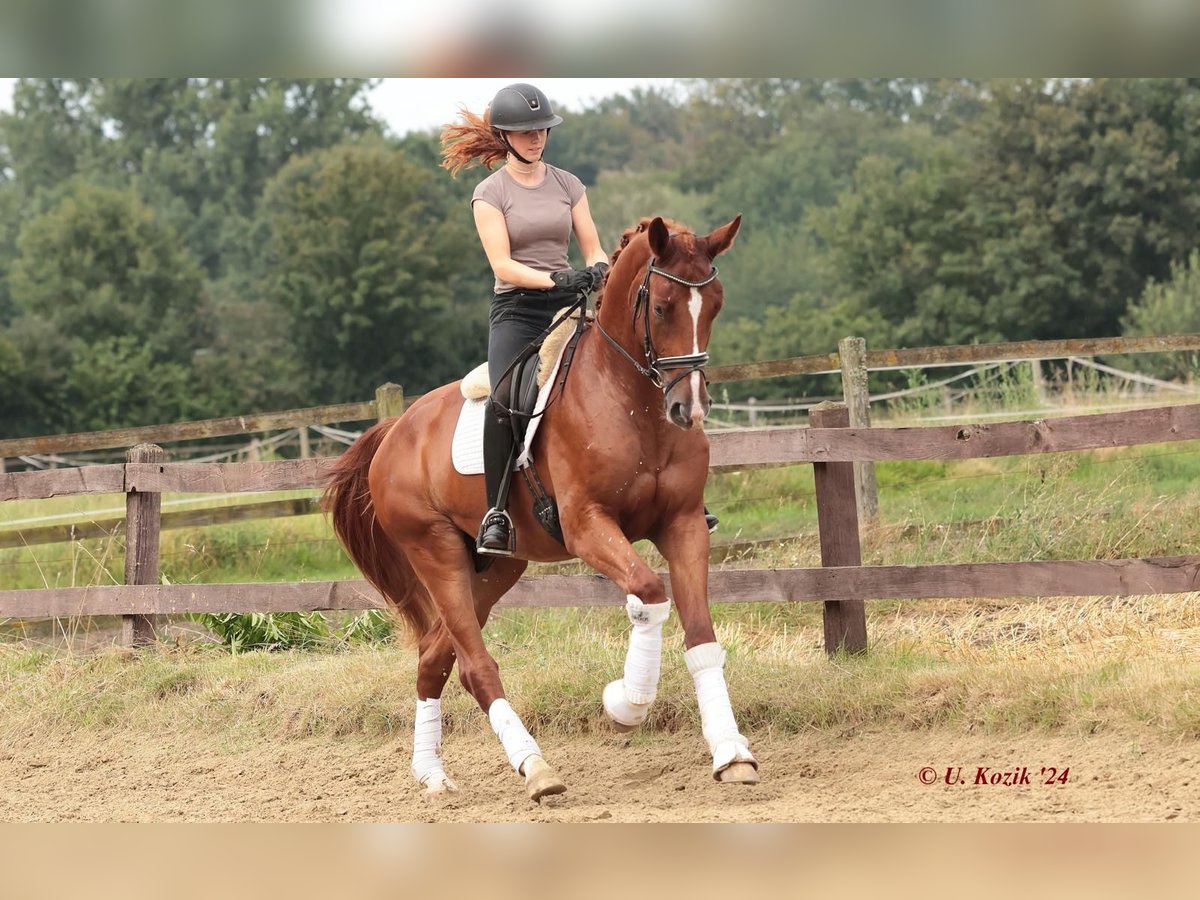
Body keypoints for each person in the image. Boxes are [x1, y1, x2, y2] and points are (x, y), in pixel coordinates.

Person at [440, 82, 719, 556]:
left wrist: (595, 270)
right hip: (518, 311)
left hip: (569, 306)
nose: (537, 138)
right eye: (526, 132)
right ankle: (497, 512)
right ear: (505, 136)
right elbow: (502, 265)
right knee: (504, 397)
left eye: (542, 130)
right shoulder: (489, 193)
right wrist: (556, 280)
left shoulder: (568, 184)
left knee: (636, 369)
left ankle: (681, 495)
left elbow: (590, 245)